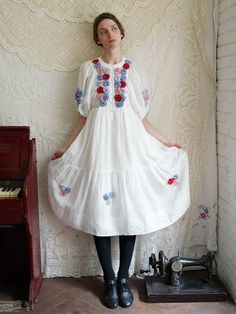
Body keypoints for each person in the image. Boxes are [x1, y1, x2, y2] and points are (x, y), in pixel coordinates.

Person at [48, 12, 190, 309]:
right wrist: (66, 147)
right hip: (98, 147)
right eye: (103, 31)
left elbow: (142, 117)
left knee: (129, 210)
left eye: (113, 28)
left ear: (121, 33)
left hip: (130, 147)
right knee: (101, 214)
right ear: (97, 38)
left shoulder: (134, 69)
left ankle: (124, 278)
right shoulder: (88, 69)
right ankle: (109, 280)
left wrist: (165, 141)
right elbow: (83, 115)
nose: (109, 33)